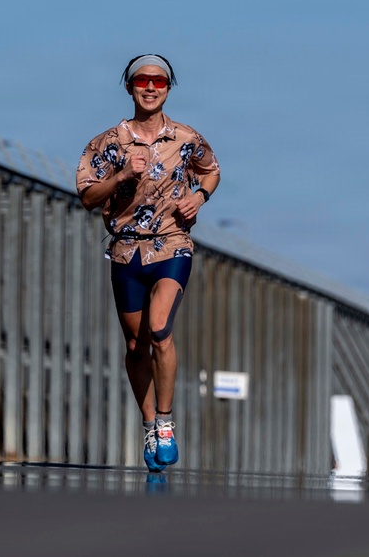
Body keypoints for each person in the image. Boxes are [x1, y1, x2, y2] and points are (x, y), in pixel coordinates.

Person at [76, 53, 220, 472]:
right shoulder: (106, 144)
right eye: (143, 81)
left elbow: (210, 171)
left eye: (159, 81)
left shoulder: (185, 137)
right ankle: (148, 423)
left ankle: (167, 421)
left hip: (172, 245)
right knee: (136, 346)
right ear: (129, 87)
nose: (151, 87)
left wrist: (200, 197)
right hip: (126, 250)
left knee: (160, 330)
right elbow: (86, 197)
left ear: (169, 88)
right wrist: (120, 177)